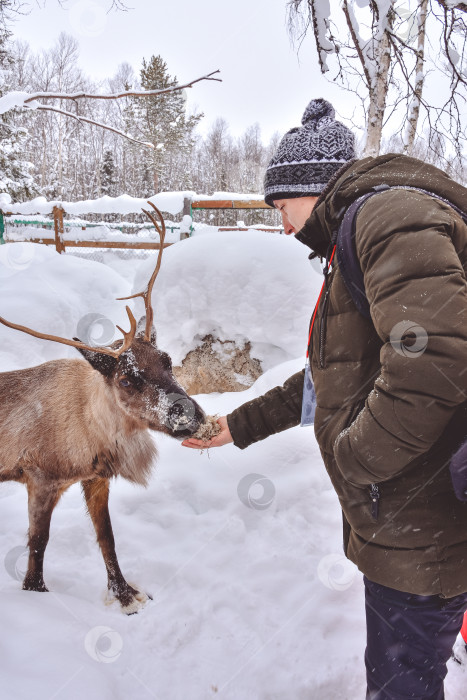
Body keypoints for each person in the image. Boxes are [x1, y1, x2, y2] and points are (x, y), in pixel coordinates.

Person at [182, 98, 467, 700]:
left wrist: (356, 459)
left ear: (312, 189)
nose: (284, 227)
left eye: (281, 207)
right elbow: (334, 376)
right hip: (420, 517)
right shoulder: (361, 236)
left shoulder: (385, 216)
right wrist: (235, 425)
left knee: (401, 685)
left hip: (423, 527)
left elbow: (433, 359)